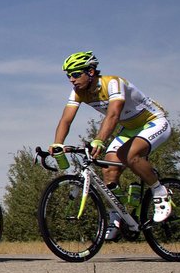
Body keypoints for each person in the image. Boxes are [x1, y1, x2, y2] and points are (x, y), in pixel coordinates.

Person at [51, 50, 172, 239]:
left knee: (131, 156)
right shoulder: (78, 93)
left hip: (153, 122)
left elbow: (113, 114)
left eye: (75, 74)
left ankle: (160, 191)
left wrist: (99, 139)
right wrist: (58, 143)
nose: (72, 80)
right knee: (108, 169)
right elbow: (66, 120)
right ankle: (117, 214)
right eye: (68, 76)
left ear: (90, 72)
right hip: (130, 129)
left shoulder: (113, 83)